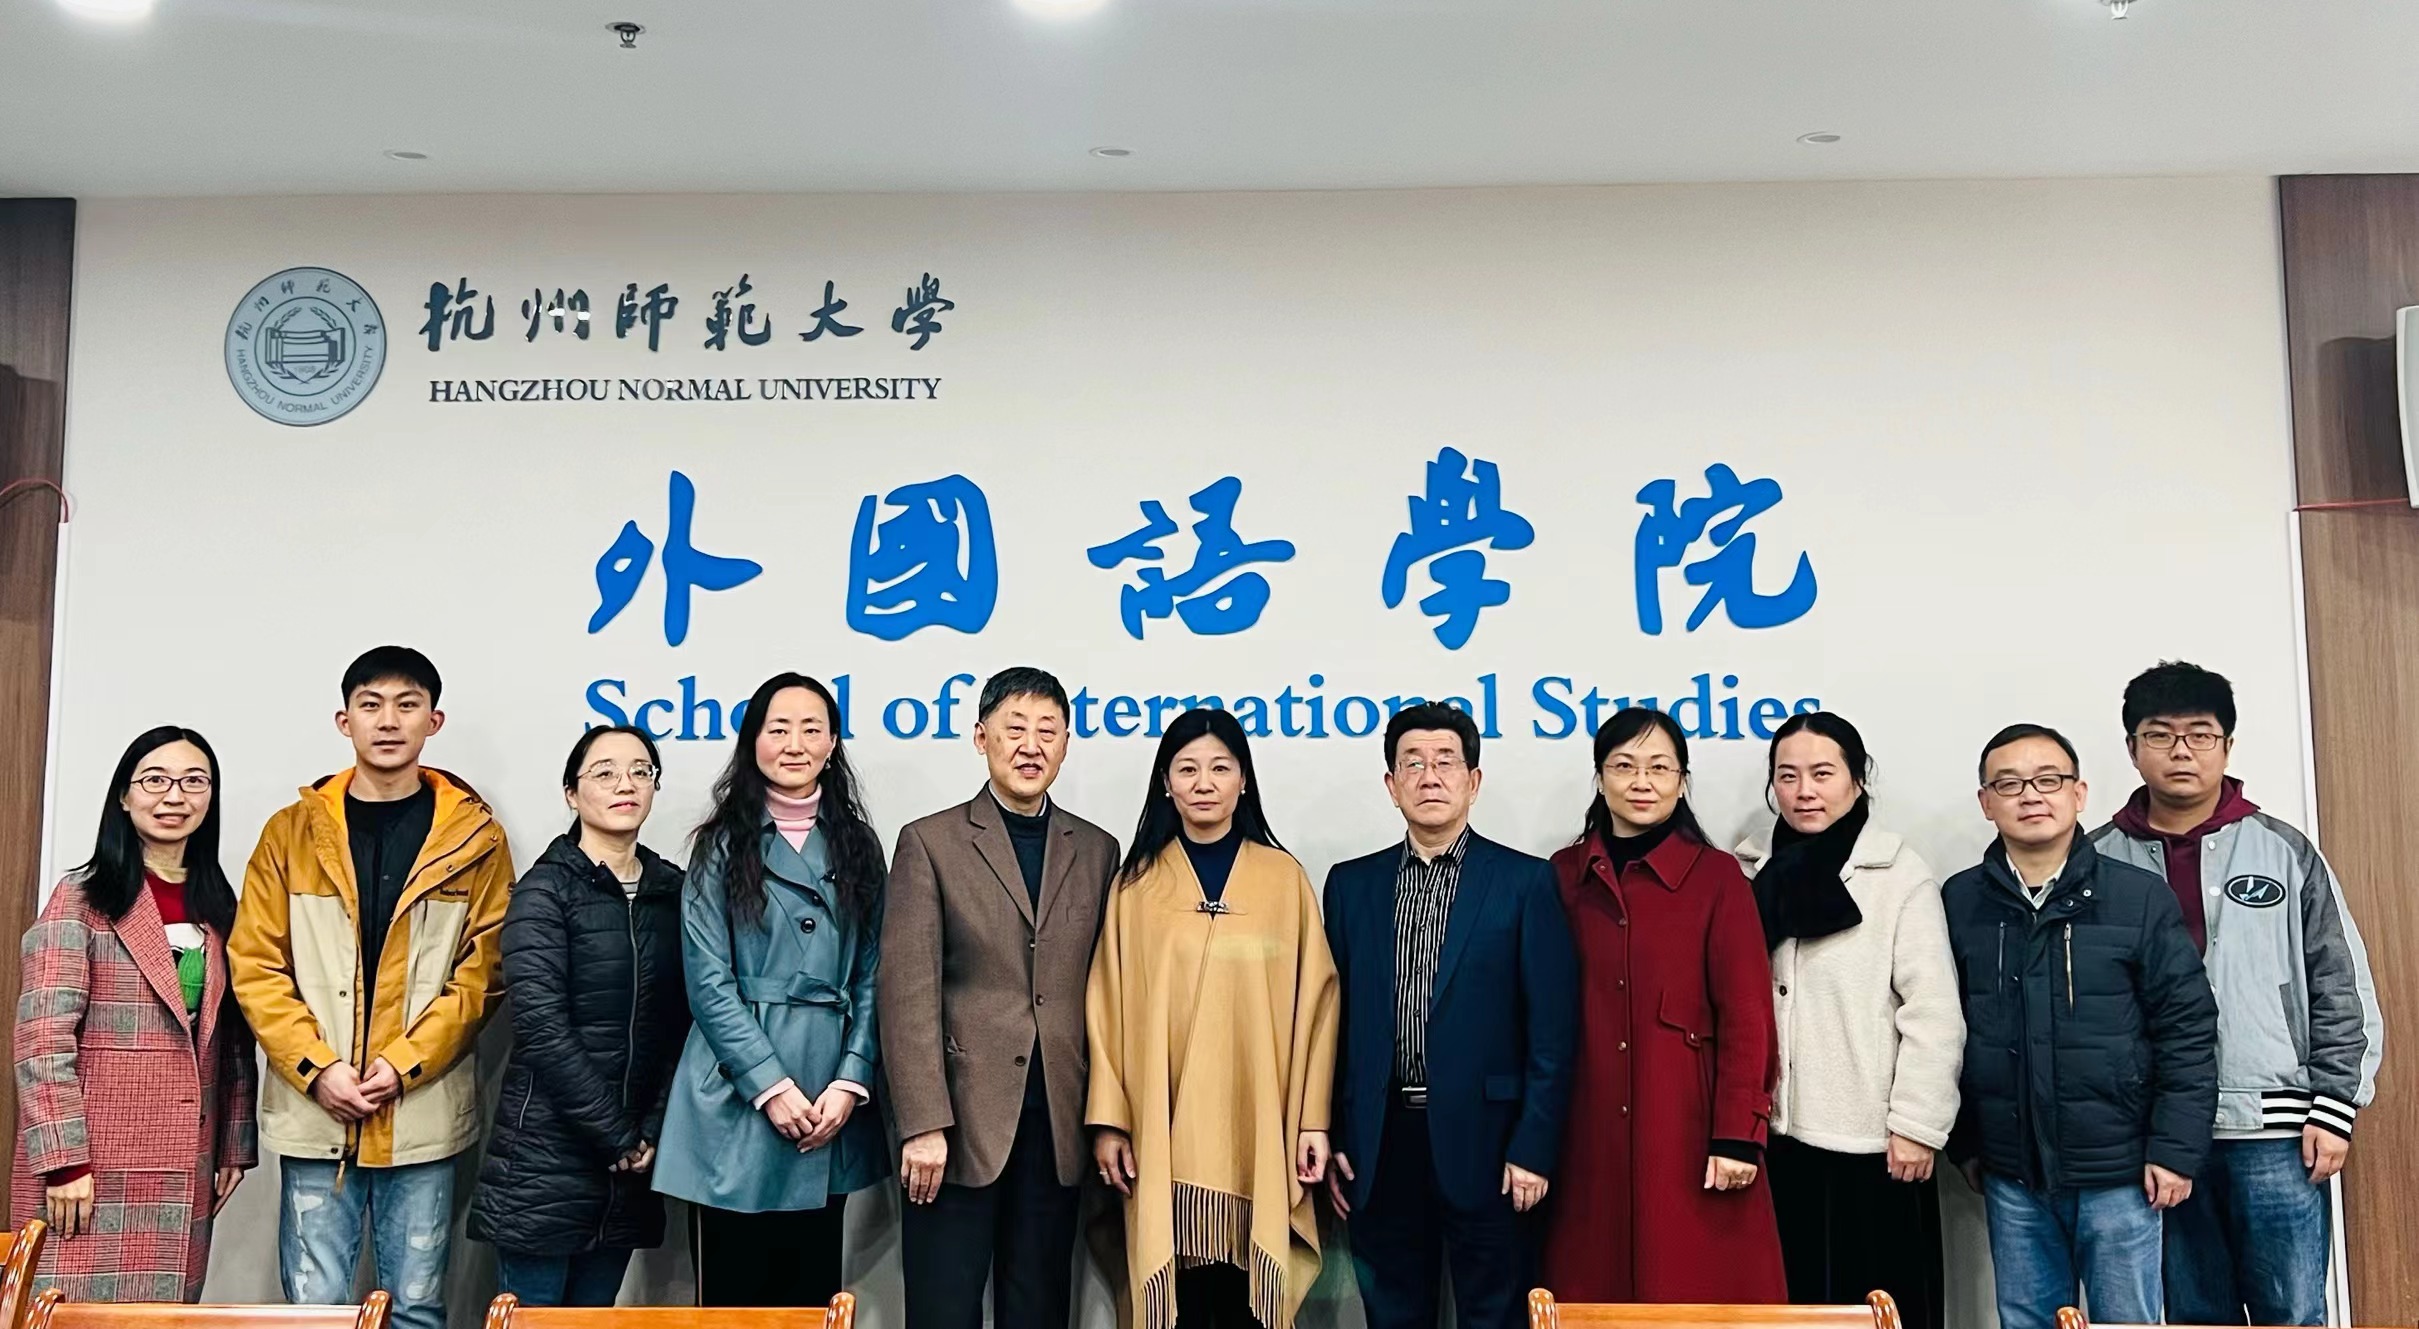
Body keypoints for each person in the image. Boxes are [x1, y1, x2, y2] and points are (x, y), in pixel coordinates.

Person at [2090, 662, 2383, 1326]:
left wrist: (2335, 1104)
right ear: (2132, 748)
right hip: (2159, 1133)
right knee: (2194, 1315)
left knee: (2292, 1312)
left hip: (2275, 1130)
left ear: (2226, 745)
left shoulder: (2283, 849)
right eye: (2159, 734)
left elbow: (2340, 982)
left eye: (2200, 734)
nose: (2181, 751)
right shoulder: (2098, 859)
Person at [230, 647, 514, 1329]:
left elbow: (484, 971)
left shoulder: (474, 838)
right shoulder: (291, 833)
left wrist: (403, 1063)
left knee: (416, 1307)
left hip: (420, 1111)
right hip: (315, 1109)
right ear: (344, 720)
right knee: (314, 1309)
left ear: (433, 721)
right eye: (371, 704)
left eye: (407, 705)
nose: (389, 721)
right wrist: (318, 1067)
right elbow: (256, 963)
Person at [1944, 723, 2218, 1329]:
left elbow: (2187, 1031)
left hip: (2121, 1172)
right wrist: (1966, 1143)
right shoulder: (1960, 902)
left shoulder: (2138, 898)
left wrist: (2175, 1150)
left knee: (2126, 1323)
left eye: (2048, 780)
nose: (2030, 796)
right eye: (2009, 784)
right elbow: (1947, 1031)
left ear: (2079, 793)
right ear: (1986, 802)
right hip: (2012, 1173)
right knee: (2027, 1321)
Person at [1319, 703, 1576, 1329]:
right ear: (1391, 784)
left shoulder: (1525, 882)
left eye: (1445, 762)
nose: (1429, 776)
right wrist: (1341, 1133)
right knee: (1393, 1316)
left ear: (1473, 780)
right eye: (1413, 763)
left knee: (1495, 1315)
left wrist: (1534, 1147)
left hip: (1492, 1147)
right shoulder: (1351, 886)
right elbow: (1335, 1025)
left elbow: (1552, 1032)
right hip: (1382, 1144)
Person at [880, 668, 1121, 1329]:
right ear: (981, 737)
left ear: (1066, 744)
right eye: (1015, 728)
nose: (1030, 745)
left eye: (1047, 731)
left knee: (1039, 1309)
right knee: (943, 1312)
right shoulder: (929, 841)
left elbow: (1109, 990)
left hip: (1059, 1124)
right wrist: (922, 1122)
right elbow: (906, 992)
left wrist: (1108, 1115)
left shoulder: (1097, 849)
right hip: (956, 1126)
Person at [1086, 707, 1340, 1329]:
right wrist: (1110, 1122)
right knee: (1177, 1298)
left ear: (1244, 780)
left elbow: (1318, 1006)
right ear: (1165, 783)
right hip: (1159, 1128)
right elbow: (1105, 1007)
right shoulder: (1135, 886)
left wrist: (1312, 1121)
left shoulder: (1283, 880)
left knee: (1247, 1301)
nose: (1204, 783)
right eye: (1187, 769)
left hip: (1262, 1124)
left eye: (1220, 768)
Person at [653, 673, 886, 1307]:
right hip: (738, 1096)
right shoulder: (720, 844)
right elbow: (708, 982)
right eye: (778, 728)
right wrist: (771, 1087)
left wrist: (851, 1081)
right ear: (752, 740)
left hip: (829, 1097)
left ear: (832, 743)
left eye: (812, 729)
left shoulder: (858, 845)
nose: (794, 744)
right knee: (732, 1303)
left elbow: (873, 974)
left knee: (811, 1301)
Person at [1540, 707, 1784, 1303]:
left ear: (1682, 781)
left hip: (1687, 1128)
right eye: (1624, 766)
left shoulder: (1718, 877)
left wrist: (1738, 1134)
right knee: (1590, 1290)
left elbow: (1748, 1016)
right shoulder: (1564, 876)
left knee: (1693, 1289)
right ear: (1600, 779)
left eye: (1659, 768)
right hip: (1586, 1130)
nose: (1641, 782)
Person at [1733, 712, 1963, 1329]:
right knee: (1790, 1306)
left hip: (1872, 1142)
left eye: (1822, 773)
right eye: (1788, 776)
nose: (1804, 791)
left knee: (1877, 1304)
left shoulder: (1897, 874)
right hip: (1774, 1139)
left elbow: (1934, 1013)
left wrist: (1916, 1124)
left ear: (1857, 781)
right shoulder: (1746, 870)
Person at [13, 726, 257, 1301]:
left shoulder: (219, 904)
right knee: (69, 1310)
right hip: (92, 1164)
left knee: (162, 1312)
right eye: (155, 780)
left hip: (187, 1161)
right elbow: (43, 1038)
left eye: (194, 781)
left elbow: (233, 1041)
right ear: (124, 796)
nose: (175, 796)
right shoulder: (82, 897)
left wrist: (233, 1145)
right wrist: (63, 1162)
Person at [468, 725, 689, 1306]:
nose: (626, 784)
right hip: (546, 1157)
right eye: (605, 772)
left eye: (641, 772)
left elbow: (685, 1025)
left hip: (631, 1166)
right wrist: (616, 1136)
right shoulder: (545, 890)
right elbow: (541, 1026)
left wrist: (651, 1130)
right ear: (572, 793)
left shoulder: (674, 892)